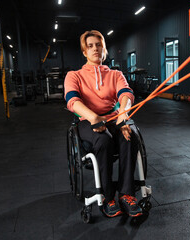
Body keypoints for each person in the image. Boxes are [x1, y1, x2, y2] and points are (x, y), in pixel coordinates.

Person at [64, 30, 143, 218]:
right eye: (90, 46)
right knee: (104, 141)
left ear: (104, 48)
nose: (95, 49)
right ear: (84, 51)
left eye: (98, 45)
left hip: (113, 117)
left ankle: (126, 194)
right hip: (87, 120)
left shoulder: (115, 74)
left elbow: (126, 94)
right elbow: (72, 101)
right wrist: (93, 118)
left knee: (130, 136)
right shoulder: (74, 75)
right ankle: (108, 197)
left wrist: (123, 116)